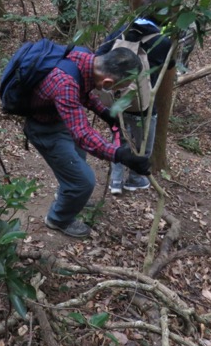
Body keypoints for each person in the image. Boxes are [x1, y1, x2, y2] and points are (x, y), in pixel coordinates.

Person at [25, 47, 152, 239]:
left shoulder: (85, 59)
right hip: (44, 129)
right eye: (119, 87)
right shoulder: (65, 84)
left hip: (61, 117)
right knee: (83, 181)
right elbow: (83, 135)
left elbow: (84, 92)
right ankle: (58, 219)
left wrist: (105, 113)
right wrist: (120, 155)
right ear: (108, 82)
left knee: (78, 160)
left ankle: (67, 195)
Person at [96, 0, 181, 194]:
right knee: (143, 141)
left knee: (119, 137)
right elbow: (169, 65)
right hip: (142, 103)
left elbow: (100, 53)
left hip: (116, 100)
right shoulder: (163, 41)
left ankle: (115, 181)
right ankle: (136, 179)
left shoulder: (122, 31)